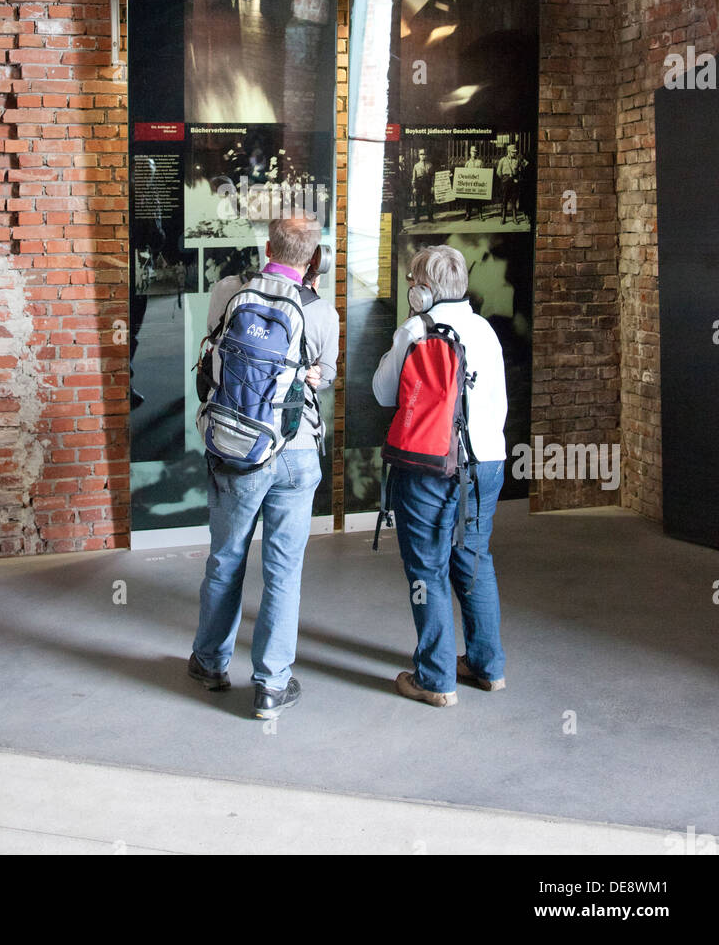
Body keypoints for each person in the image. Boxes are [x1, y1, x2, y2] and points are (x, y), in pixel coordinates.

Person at [189, 217, 339, 719]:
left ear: (269, 246)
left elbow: (212, 349)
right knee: (283, 570)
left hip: (239, 445)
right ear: (311, 258)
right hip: (295, 452)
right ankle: (272, 686)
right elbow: (327, 375)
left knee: (226, 558)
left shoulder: (230, 290)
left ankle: (210, 663)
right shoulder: (320, 311)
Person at [372, 245, 508, 707]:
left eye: (413, 281)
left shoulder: (414, 329)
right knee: (474, 559)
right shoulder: (486, 331)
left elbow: (384, 393)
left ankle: (435, 678)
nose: (411, 288)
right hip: (487, 461)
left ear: (424, 291)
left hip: (432, 465)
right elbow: (498, 405)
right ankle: (488, 668)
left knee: (426, 567)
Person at [411, 149, 435, 224]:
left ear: (426, 155)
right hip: (419, 185)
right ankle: (416, 219)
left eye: (424, 154)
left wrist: (432, 186)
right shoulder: (416, 166)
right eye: (421, 154)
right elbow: (414, 177)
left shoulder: (430, 165)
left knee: (429, 202)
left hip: (427, 184)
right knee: (418, 202)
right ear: (419, 156)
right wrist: (414, 187)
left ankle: (430, 218)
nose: (422, 156)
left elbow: (433, 177)